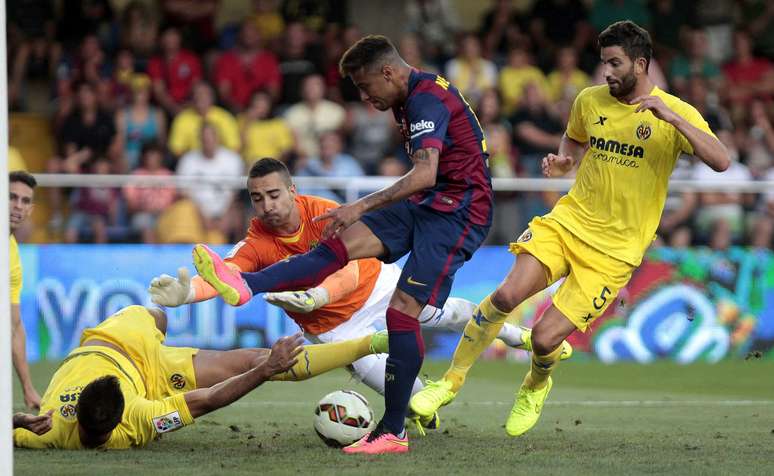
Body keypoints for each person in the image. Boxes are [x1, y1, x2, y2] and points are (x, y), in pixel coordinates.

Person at [409, 20, 729, 438]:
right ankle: (448, 383)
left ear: (641, 63)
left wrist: (672, 117)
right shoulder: (590, 100)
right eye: (603, 64)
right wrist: (564, 162)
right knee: (506, 294)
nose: (607, 73)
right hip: (569, 222)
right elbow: (574, 141)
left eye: (615, 64)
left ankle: (536, 383)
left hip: (615, 252)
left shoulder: (675, 113)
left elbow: (721, 161)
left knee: (544, 340)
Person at [190, 36, 495, 454]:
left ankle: (393, 432)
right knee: (334, 245)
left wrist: (361, 205)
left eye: (366, 86)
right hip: (428, 204)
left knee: (403, 311)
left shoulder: (426, 100)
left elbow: (425, 173)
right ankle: (247, 286)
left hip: (459, 213)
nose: (365, 97)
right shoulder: (407, 99)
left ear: (388, 72)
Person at [149, 159, 567, 423]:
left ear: (292, 191)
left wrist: (319, 296)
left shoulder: (326, 213)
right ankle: (415, 417)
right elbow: (231, 278)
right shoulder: (255, 242)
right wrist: (189, 294)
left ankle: (523, 337)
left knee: (444, 315)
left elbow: (348, 265)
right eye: (257, 199)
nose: (267, 205)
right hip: (338, 333)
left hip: (377, 287)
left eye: (274, 194)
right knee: (420, 404)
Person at [13, 304, 388, 449]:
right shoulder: (140, 416)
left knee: (158, 316)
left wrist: (16, 420)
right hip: (134, 354)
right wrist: (266, 369)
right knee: (259, 358)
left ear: (78, 412)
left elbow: (208, 400)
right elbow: (206, 399)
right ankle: (374, 341)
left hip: (120, 344)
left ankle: (373, 342)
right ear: (119, 417)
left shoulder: (49, 432)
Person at [9, 171, 42, 409]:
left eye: (25, 201)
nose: (18, 206)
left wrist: (28, 388)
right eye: (11, 197)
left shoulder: (12, 254)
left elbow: (14, 324)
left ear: (31, 209)